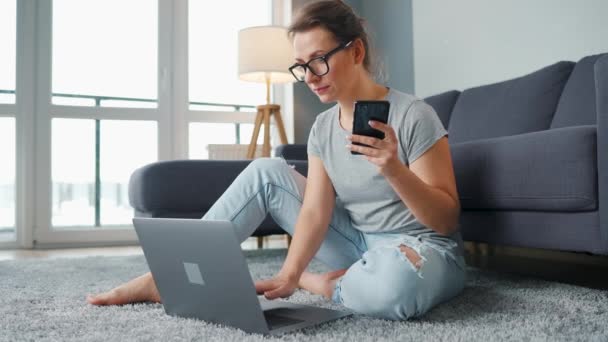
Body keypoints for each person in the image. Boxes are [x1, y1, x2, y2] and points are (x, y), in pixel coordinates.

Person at [87, 0, 466, 321]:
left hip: (423, 247)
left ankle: (332, 284)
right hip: (358, 242)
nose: (309, 77)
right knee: (266, 171)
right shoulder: (322, 127)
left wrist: (393, 169)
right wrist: (289, 273)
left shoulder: (414, 114)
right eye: (301, 66)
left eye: (318, 61)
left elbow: (446, 220)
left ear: (356, 51)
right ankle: (164, 277)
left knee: (394, 291)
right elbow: (316, 212)